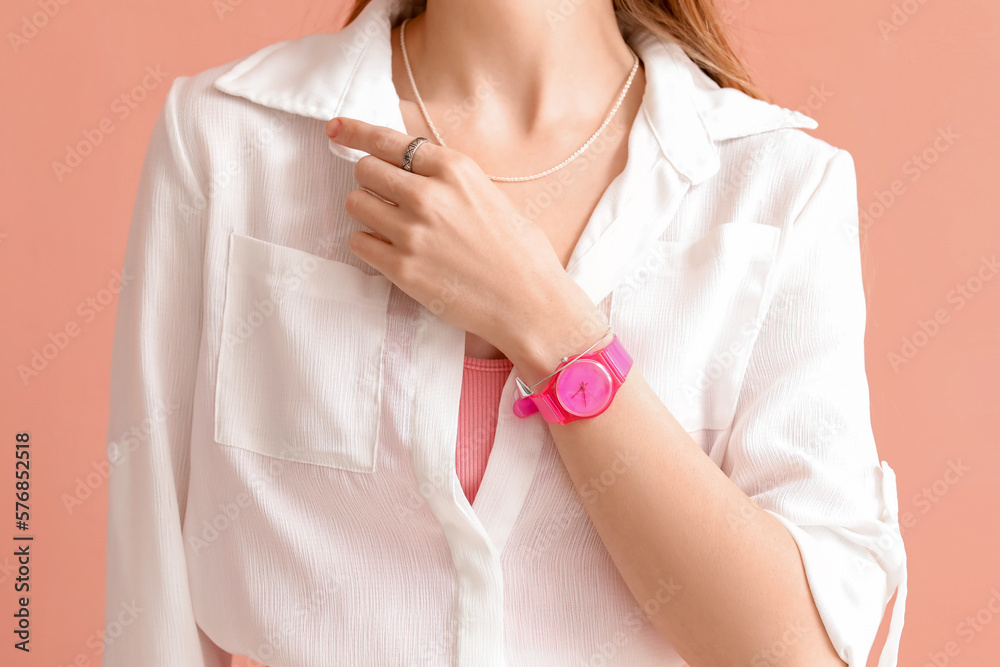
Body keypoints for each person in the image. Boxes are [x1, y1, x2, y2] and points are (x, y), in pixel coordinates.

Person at [102, 0, 907, 664]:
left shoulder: (779, 193)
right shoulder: (226, 140)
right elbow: (154, 606)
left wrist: (546, 324)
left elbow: (797, 652)